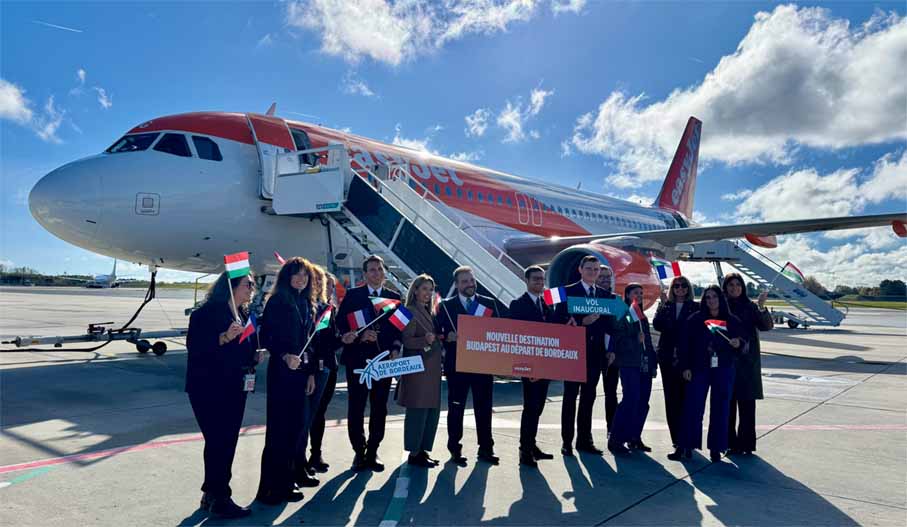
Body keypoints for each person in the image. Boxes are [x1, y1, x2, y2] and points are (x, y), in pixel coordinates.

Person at [186, 271, 260, 518]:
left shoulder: (245, 314)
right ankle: (220, 497)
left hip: (236, 386)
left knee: (224, 442)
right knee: (220, 441)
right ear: (231, 286)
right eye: (248, 284)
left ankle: (212, 493)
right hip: (209, 387)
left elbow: (245, 347)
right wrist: (224, 337)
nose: (252, 288)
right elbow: (196, 348)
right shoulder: (205, 313)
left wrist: (255, 356)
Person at [256, 257, 320, 505]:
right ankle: (271, 488)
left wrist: (311, 372)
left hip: (301, 373)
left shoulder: (306, 303)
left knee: (295, 429)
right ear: (287, 277)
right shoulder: (278, 301)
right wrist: (284, 355)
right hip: (282, 373)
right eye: (297, 274)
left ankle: (287, 479)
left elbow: (309, 341)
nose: (301, 279)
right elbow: (266, 336)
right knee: (279, 431)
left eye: (305, 275)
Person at [336, 255, 402, 472]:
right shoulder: (353, 296)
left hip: (383, 362)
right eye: (372, 270)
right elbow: (340, 324)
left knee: (379, 407)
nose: (377, 273)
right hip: (358, 360)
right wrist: (360, 335)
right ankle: (359, 451)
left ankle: (373, 450)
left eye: (380, 269)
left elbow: (398, 331)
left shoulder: (394, 298)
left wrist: (395, 349)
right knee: (356, 406)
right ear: (364, 274)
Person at [669, 285, 746, 462]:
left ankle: (716, 448)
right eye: (708, 297)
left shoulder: (732, 320)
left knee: (721, 408)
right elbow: (684, 345)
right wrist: (685, 367)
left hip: (723, 368)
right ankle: (684, 446)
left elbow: (743, 342)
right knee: (692, 407)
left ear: (721, 299)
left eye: (714, 297)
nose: (711, 300)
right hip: (699, 367)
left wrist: (738, 343)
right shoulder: (695, 319)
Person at [436, 266, 501, 466]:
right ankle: (454, 448)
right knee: (456, 408)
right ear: (457, 285)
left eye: (472, 280)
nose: (470, 284)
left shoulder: (488, 303)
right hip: (457, 366)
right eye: (464, 281)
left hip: (482, 365)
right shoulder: (446, 306)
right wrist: (447, 336)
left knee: (484, 408)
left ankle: (486, 448)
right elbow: (437, 332)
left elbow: (499, 331)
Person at [554, 255, 616, 456]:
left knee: (588, 398)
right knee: (570, 397)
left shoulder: (606, 296)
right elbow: (555, 318)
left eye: (596, 269)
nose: (592, 272)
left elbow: (612, 325)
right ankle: (567, 441)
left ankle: (584, 440)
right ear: (580, 270)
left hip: (596, 354)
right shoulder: (565, 292)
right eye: (589, 268)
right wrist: (582, 322)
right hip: (573, 353)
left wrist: (611, 350)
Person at [508, 265, 561, 467]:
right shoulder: (517, 304)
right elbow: (516, 336)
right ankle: (525, 450)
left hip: (545, 364)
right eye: (536, 279)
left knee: (538, 407)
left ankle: (532, 445)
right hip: (529, 366)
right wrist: (527, 367)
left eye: (542, 279)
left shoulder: (547, 304)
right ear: (527, 281)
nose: (540, 282)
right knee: (530, 408)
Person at [722, 273, 773, 455]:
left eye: (738, 285)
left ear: (742, 288)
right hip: (727, 360)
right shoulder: (721, 306)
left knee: (747, 406)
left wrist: (761, 307)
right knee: (727, 406)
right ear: (725, 287)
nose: (734, 288)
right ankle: (729, 443)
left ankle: (747, 444)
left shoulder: (750, 306)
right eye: (731, 285)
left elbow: (766, 326)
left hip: (747, 361)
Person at [291, 265, 332, 487]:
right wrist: (312, 371)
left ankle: (305, 461)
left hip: (324, 369)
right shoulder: (308, 306)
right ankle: (298, 465)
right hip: (310, 370)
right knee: (303, 420)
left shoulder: (323, 307)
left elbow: (325, 341)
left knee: (312, 417)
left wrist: (343, 338)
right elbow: (311, 343)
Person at [397, 274, 444, 468]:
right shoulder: (409, 311)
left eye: (431, 290)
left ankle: (423, 450)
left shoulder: (431, 311)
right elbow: (406, 340)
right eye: (424, 289)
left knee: (431, 412)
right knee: (417, 411)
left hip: (432, 370)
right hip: (418, 370)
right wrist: (425, 340)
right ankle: (414, 452)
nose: (428, 293)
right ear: (415, 290)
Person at [607, 283, 657, 455]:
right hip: (629, 364)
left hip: (645, 364)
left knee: (643, 403)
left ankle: (634, 437)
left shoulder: (642, 316)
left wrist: (653, 364)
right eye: (636, 293)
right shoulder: (624, 314)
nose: (640, 296)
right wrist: (635, 339)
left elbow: (648, 342)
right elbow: (618, 339)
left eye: (641, 293)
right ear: (628, 295)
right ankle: (616, 439)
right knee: (630, 400)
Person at [652, 276, 699, 449]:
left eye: (684, 286)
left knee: (687, 400)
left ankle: (687, 438)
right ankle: (676, 440)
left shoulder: (695, 307)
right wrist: (663, 306)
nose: (680, 288)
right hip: (667, 358)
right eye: (676, 286)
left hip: (687, 360)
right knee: (671, 400)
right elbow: (657, 325)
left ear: (688, 288)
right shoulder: (666, 306)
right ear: (672, 289)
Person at [306, 271, 343, 473]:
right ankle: (303, 457)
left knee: (320, 412)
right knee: (312, 412)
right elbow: (315, 342)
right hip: (316, 368)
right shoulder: (313, 309)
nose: (328, 289)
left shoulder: (330, 309)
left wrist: (343, 339)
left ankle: (316, 453)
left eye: (331, 286)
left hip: (330, 366)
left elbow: (331, 341)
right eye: (324, 284)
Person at [595, 264, 621, 436]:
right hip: (592, 352)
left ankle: (612, 429)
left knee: (611, 393)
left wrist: (612, 350)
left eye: (607, 277)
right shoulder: (588, 299)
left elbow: (623, 325)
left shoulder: (616, 300)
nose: (605, 279)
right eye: (601, 276)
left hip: (611, 354)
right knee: (587, 394)